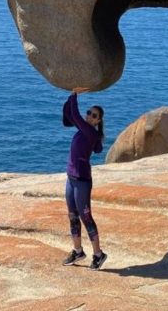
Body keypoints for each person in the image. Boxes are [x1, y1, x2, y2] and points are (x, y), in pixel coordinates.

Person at [61, 87, 107, 269]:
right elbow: (69, 114)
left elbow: (75, 115)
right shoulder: (83, 130)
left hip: (82, 182)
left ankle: (98, 254)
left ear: (98, 121)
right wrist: (68, 99)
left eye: (94, 115)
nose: (89, 116)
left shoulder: (91, 133)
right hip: (71, 179)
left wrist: (74, 94)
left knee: (86, 217)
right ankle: (78, 251)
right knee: (73, 216)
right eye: (89, 113)